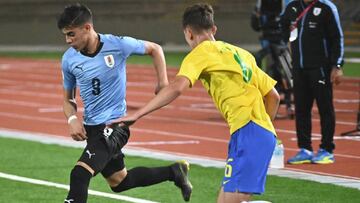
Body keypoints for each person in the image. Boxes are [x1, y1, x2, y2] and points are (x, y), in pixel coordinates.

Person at [113, 3, 280, 203]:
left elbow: (177, 88)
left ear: (189, 33)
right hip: (255, 134)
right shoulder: (243, 54)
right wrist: (264, 132)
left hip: (248, 133)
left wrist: (137, 114)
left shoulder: (199, 54)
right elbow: (273, 96)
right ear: (214, 29)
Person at [57, 3, 192, 203]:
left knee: (79, 175)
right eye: (65, 35)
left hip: (116, 125)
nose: (68, 40)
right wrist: (72, 119)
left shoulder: (117, 45)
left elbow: (155, 49)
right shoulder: (69, 59)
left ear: (87, 28)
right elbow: (68, 99)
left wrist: (162, 82)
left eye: (71, 34)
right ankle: (174, 172)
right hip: (93, 128)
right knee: (120, 182)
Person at [281, 0, 344, 164]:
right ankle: (305, 149)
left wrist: (337, 65)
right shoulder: (292, 7)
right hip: (299, 69)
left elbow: (337, 38)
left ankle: (327, 149)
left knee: (325, 108)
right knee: (301, 109)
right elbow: (283, 29)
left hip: (320, 68)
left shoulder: (326, 8)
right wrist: (285, 34)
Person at [251, 0, 294, 118]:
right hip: (268, 44)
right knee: (268, 70)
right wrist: (256, 15)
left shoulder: (286, 4)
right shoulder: (261, 5)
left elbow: (288, 24)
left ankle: (289, 104)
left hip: (280, 44)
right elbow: (255, 26)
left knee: (285, 73)